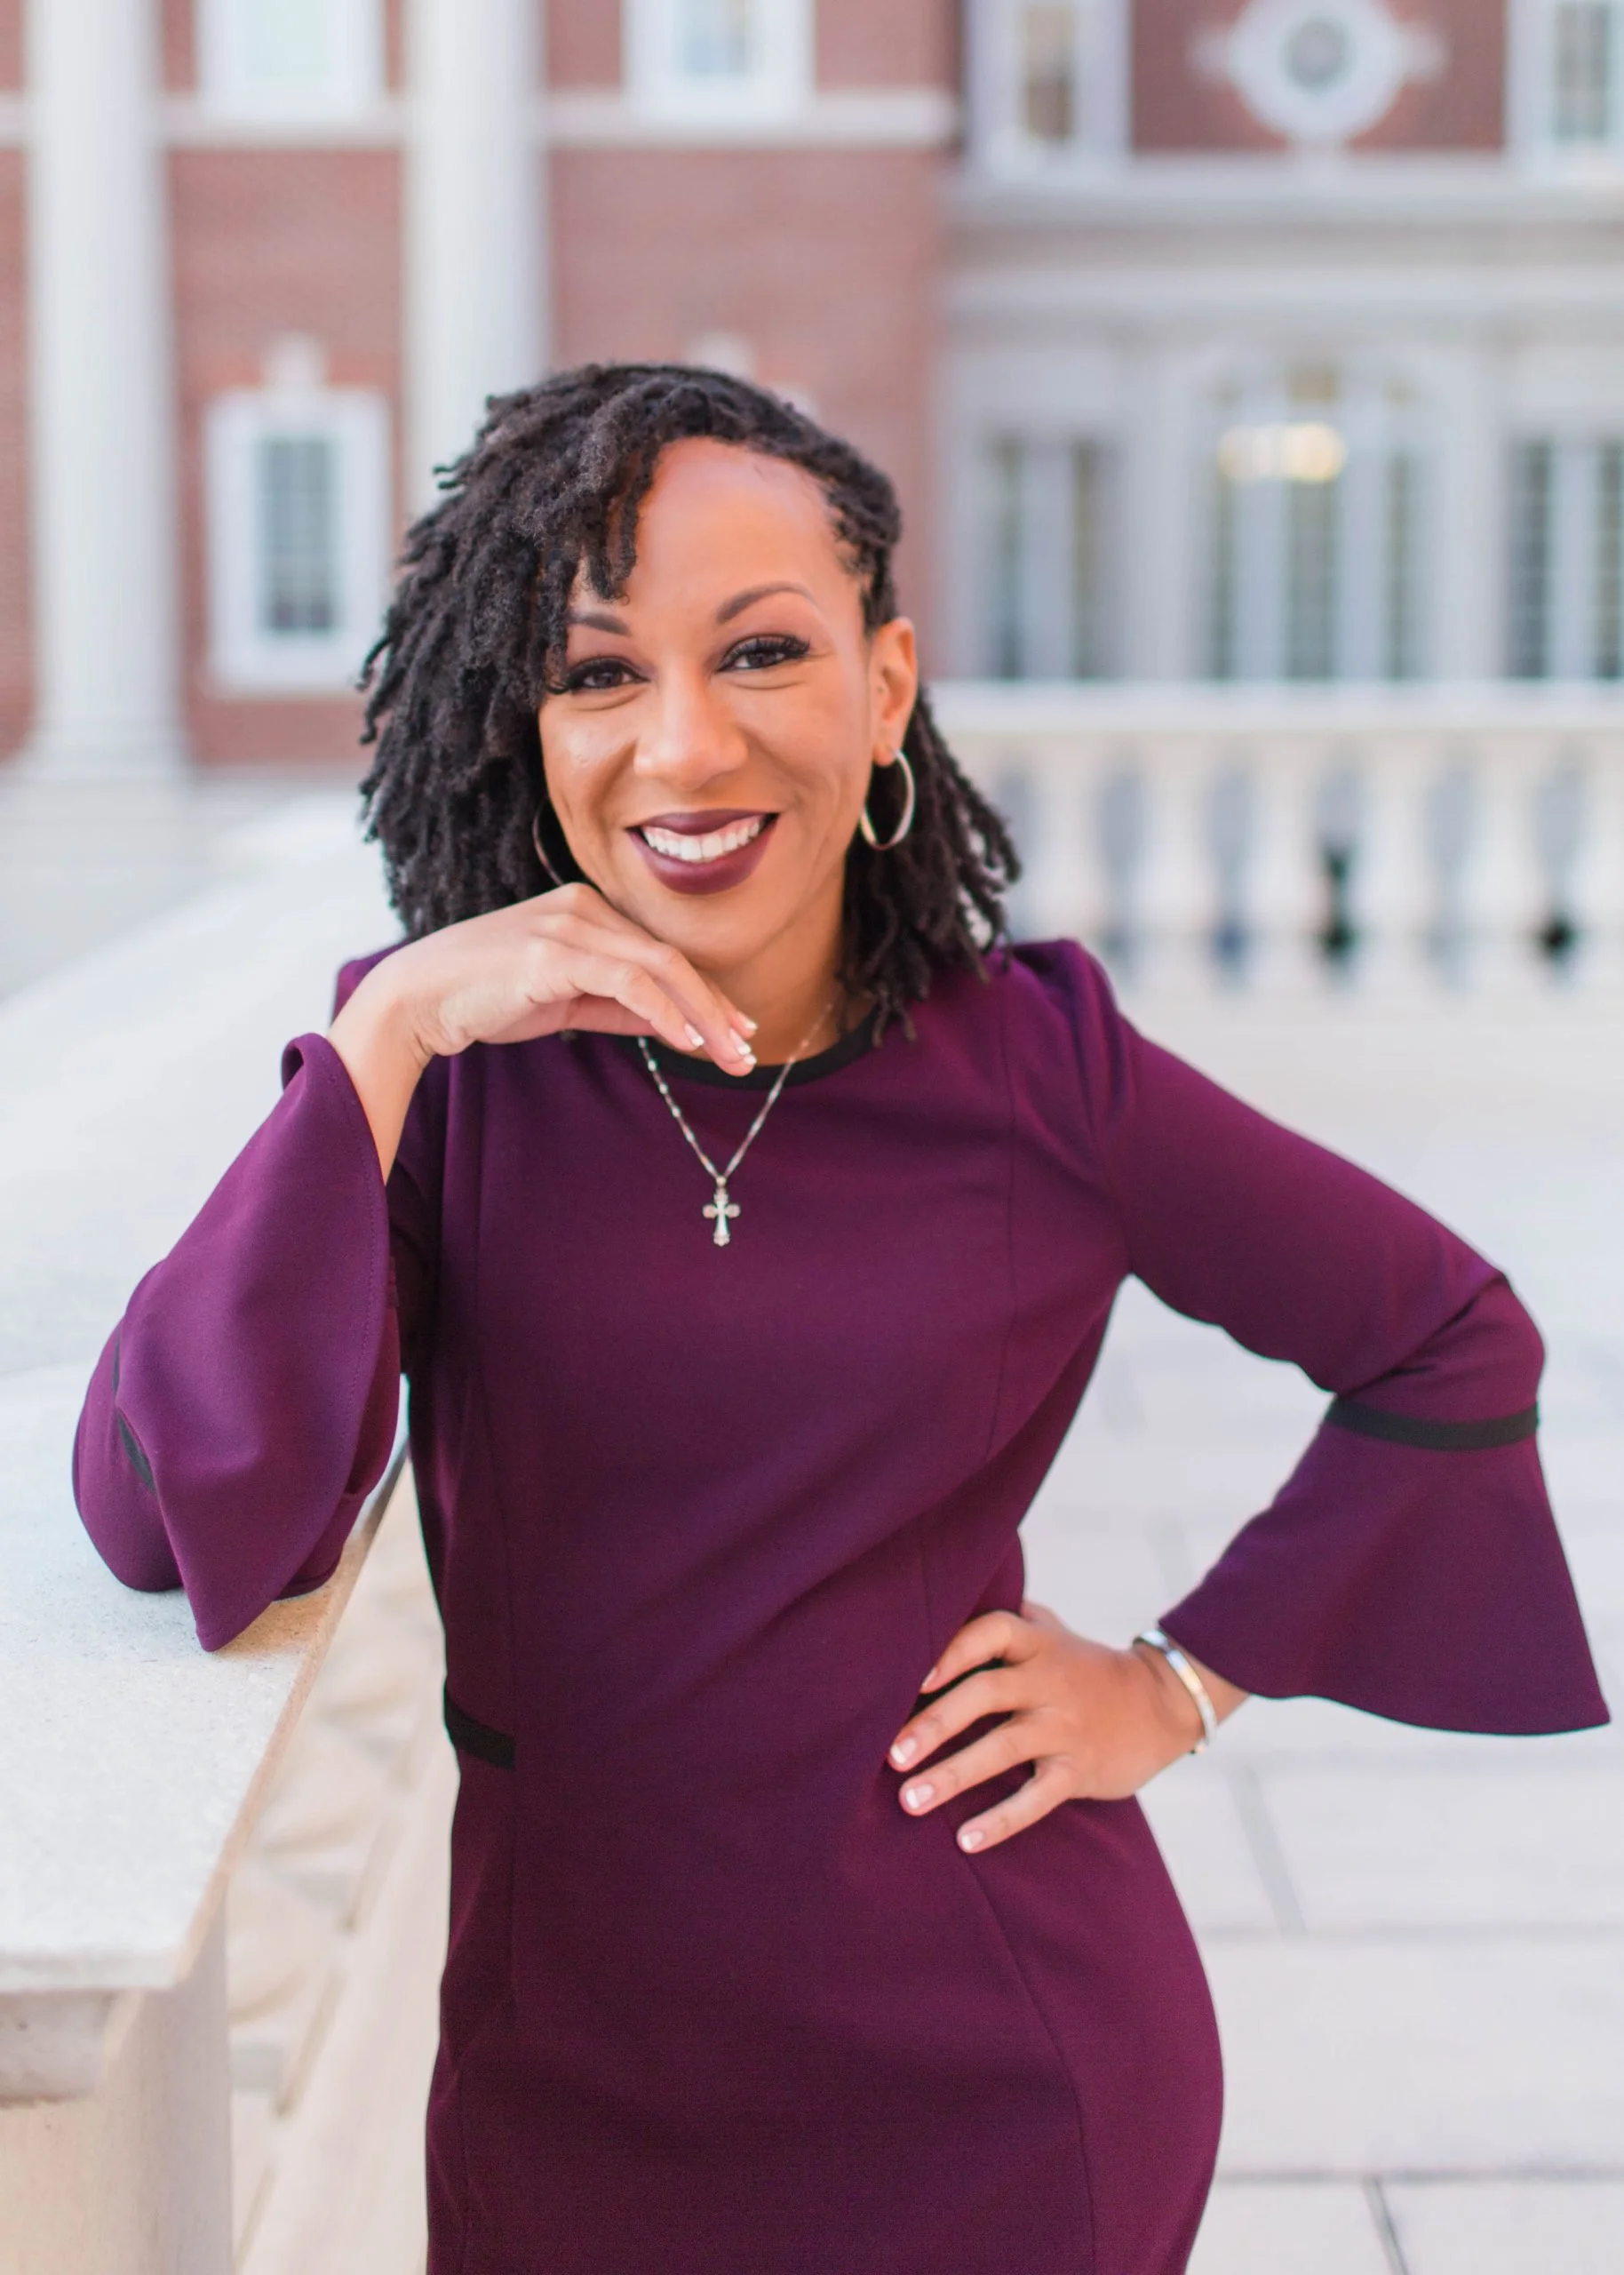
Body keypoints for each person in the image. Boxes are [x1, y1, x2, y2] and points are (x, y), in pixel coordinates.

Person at [74, 364, 1607, 2275]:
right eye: (599, 673)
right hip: (570, 2074)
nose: (683, 745)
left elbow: (1448, 1337)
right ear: (524, 724)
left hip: (991, 2078)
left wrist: (1170, 1683)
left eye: (762, 652)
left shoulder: (1042, 1068)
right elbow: (182, 1506)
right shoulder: (454, 1074)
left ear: (884, 686)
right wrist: (378, 1034)